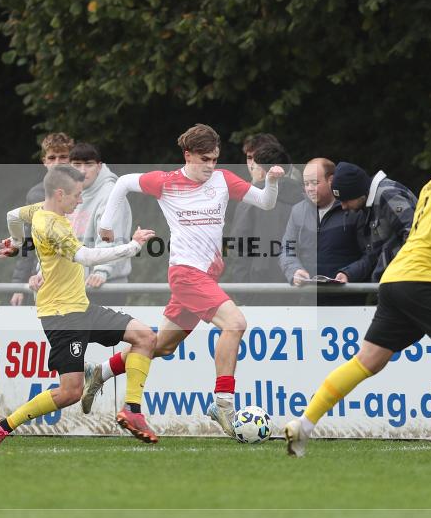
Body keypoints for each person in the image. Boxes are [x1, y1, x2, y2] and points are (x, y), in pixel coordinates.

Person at [283, 127, 431, 457]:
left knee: (367, 361)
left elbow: (425, 237)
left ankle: (304, 424)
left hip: (395, 280)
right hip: (423, 280)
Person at [85, 124, 286, 437]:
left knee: (162, 345)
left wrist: (271, 181)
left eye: (215, 159)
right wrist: (106, 226)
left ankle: (101, 370)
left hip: (206, 276)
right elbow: (123, 183)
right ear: (188, 155)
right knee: (235, 323)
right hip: (185, 274)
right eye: (204, 159)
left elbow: (266, 202)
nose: (210, 166)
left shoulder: (222, 180)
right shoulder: (166, 182)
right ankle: (223, 404)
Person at [0, 165, 160, 446]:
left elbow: (13, 215)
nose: (80, 201)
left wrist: (16, 243)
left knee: (146, 337)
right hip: (61, 316)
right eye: (77, 195)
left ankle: (132, 410)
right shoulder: (50, 225)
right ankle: (3, 426)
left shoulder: (40, 209)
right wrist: (133, 246)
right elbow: (87, 257)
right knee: (70, 393)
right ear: (60, 193)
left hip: (81, 307)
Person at [279, 157, 366, 305]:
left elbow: (370, 254)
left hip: (347, 301)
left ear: (331, 180)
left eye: (314, 183)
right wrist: (294, 270)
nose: (309, 188)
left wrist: (349, 273)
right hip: (307, 300)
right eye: (306, 183)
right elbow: (287, 249)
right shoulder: (297, 211)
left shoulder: (354, 210)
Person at [229, 141, 304, 304]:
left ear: (262, 171)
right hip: (298, 283)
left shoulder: (250, 201)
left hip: (258, 286)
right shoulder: (305, 200)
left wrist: (241, 293)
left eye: (254, 167)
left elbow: (239, 247)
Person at [10, 132, 72, 306]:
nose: (57, 162)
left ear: (71, 159)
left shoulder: (84, 190)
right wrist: (19, 285)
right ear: (44, 161)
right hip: (42, 278)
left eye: (63, 157)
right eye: (52, 158)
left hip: (78, 274)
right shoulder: (36, 194)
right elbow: (28, 242)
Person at [67, 142, 132, 306]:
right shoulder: (67, 192)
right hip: (73, 285)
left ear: (99, 166)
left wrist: (101, 271)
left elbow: (110, 238)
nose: (82, 170)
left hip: (104, 285)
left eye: (88, 164)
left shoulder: (111, 193)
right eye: (77, 165)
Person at [330, 162, 417, 282]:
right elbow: (373, 255)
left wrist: (400, 277)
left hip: (406, 279)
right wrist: (348, 274)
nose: (343, 207)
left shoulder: (387, 194)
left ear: (358, 192)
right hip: (391, 281)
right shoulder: (365, 205)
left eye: (346, 200)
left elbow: (414, 235)